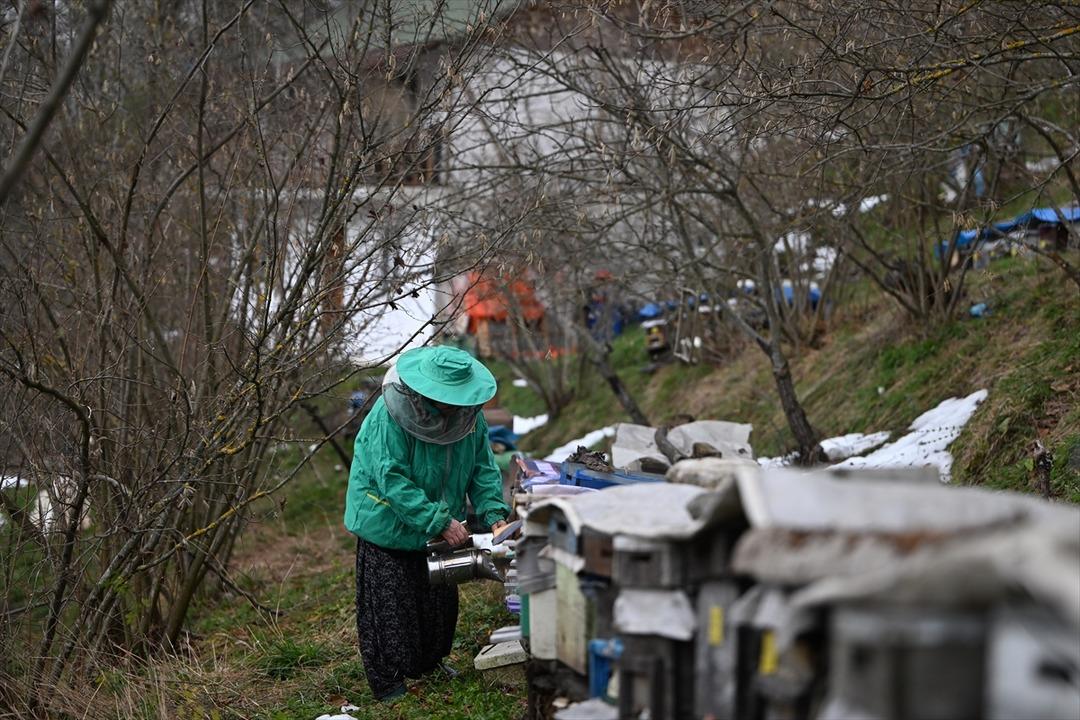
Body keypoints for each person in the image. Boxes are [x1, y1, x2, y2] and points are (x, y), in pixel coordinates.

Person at [344, 345, 510, 702]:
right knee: (391, 607)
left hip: (437, 523)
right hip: (386, 521)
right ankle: (390, 682)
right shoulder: (388, 416)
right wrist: (436, 519)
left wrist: (496, 516)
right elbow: (391, 479)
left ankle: (431, 663)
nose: (456, 407)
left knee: (438, 601)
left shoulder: (470, 418)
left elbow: (483, 468)